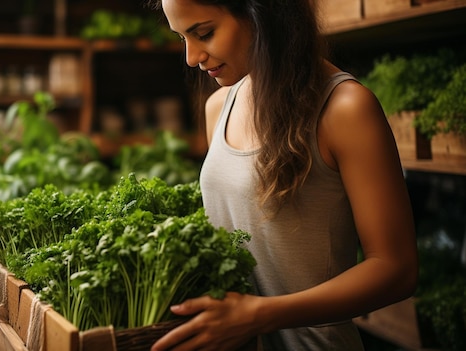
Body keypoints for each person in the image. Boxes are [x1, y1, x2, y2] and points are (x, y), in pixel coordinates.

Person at [147, 0, 419, 350]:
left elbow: (396, 269)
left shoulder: (345, 108)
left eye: (204, 33)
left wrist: (259, 315)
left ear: (264, 13)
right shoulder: (219, 106)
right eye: (182, 37)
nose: (191, 56)